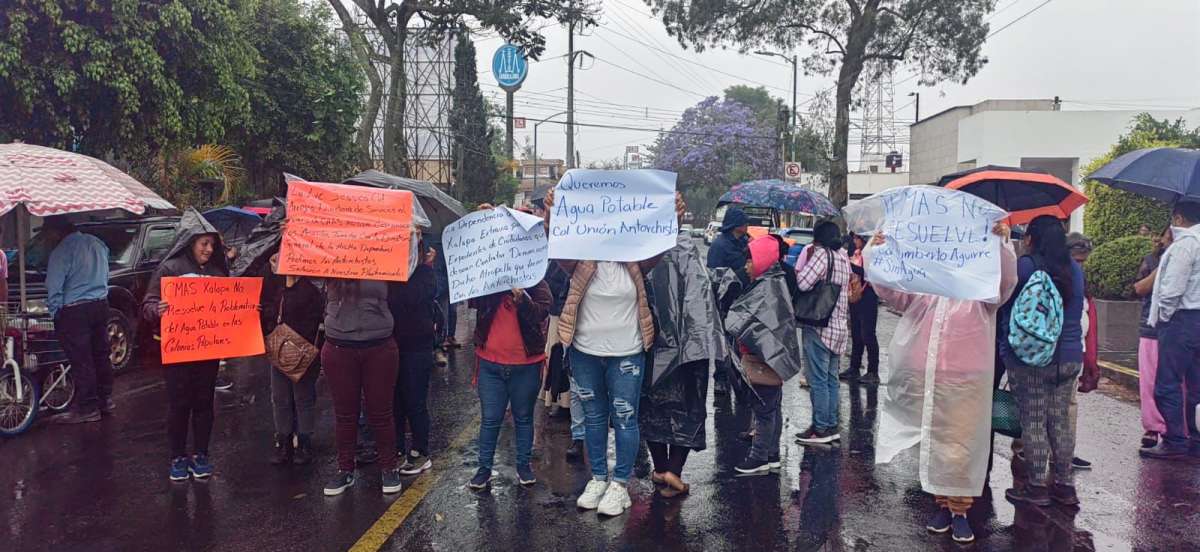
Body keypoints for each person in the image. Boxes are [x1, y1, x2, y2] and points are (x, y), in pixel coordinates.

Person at [870, 221, 1017, 544]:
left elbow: (1005, 283)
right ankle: (941, 505)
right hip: (929, 378)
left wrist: (1002, 246)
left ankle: (960, 511)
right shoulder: (927, 289)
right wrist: (879, 252)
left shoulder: (981, 292)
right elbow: (892, 291)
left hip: (967, 381)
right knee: (935, 444)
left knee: (961, 448)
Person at [543, 187, 683, 517]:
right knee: (593, 417)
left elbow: (661, 240)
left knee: (624, 417)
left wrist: (673, 216)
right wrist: (552, 214)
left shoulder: (636, 260)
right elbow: (557, 241)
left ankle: (620, 484)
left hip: (627, 353)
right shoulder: (578, 260)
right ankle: (598, 479)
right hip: (584, 351)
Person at [1001, 215, 1086, 508]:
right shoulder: (1074, 269)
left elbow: (1005, 306)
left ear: (1031, 239)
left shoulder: (1025, 266)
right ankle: (1065, 486)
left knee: (1034, 420)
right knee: (1060, 420)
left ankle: (1037, 487)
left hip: (1032, 358)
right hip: (1070, 357)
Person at [141, 210, 229, 481]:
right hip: (178, 351)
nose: (209, 249)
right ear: (191, 242)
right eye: (204, 243)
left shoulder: (217, 272)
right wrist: (157, 309)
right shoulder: (170, 268)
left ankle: (201, 455)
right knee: (179, 404)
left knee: (204, 403)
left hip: (208, 351)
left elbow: (230, 306)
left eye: (212, 244)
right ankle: (178, 457)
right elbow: (147, 304)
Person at [641, 228, 723, 496]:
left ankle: (661, 469)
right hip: (691, 350)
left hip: (655, 346)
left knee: (652, 408)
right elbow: (705, 307)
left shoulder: (647, 255)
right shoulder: (691, 257)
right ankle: (673, 472)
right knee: (689, 409)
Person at [466, 273, 552, 489]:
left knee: (523, 417)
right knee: (490, 419)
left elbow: (541, 312)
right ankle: (484, 469)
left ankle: (523, 466)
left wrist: (523, 299)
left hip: (526, 365)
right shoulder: (488, 279)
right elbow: (473, 301)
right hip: (490, 364)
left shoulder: (536, 282)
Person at [320, 274, 403, 495]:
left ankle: (389, 467)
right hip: (339, 344)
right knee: (345, 414)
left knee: (381, 412)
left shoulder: (385, 256)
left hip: (379, 343)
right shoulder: (329, 259)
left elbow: (405, 280)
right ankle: (345, 469)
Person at [728, 236, 803, 475]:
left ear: (761, 260)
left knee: (763, 411)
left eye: (750, 260)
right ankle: (772, 454)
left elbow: (757, 325)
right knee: (771, 408)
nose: (746, 266)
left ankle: (759, 456)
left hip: (763, 359)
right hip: (769, 360)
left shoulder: (767, 289)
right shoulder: (773, 283)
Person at [1141, 201, 1200, 461]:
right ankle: (1195, 438)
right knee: (1196, 385)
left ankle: (1175, 440)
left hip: (1181, 320)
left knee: (1167, 383)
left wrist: (1164, 316)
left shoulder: (1186, 245)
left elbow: (1172, 289)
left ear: (1178, 218)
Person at [42, 216, 112, 424]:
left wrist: (55, 312)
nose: (46, 238)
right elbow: (106, 271)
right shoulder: (97, 243)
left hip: (75, 310)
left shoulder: (61, 251)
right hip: (100, 304)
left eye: (47, 233)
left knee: (81, 359)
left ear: (56, 232)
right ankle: (105, 400)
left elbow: (54, 286)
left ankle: (88, 407)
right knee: (101, 354)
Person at [261, 254, 324, 465]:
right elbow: (269, 314)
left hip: (300, 352)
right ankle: (284, 442)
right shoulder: (276, 287)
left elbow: (312, 319)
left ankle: (304, 442)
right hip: (279, 350)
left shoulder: (310, 291)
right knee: (280, 398)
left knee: (302, 398)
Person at [794, 221, 852, 445]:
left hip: (819, 325)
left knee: (817, 380)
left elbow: (803, 283)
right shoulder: (843, 257)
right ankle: (830, 425)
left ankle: (819, 429)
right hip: (839, 328)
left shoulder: (822, 255)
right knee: (831, 380)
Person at [389, 242, 439, 476]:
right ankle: (398, 449)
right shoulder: (389, 270)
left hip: (417, 346)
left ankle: (421, 451)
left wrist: (426, 266)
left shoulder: (425, 274)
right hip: (391, 344)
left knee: (415, 401)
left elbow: (414, 297)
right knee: (395, 402)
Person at [1132, 227, 1172, 449]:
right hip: (1152, 330)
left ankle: (1179, 428)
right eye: (1169, 235)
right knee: (1149, 381)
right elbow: (1139, 288)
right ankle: (1153, 427)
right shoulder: (1151, 260)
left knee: (1181, 382)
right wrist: (1162, 267)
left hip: (1179, 329)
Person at [706, 207, 751, 397]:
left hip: (745, 300)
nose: (747, 224)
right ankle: (721, 378)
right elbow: (714, 275)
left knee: (740, 342)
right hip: (725, 301)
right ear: (735, 225)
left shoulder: (746, 242)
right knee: (723, 341)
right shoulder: (720, 245)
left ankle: (740, 376)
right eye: (743, 222)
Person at [1066, 232, 1099, 471]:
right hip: (1059, 352)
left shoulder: (1081, 284)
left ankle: (1065, 452)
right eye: (1077, 261)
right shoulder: (1057, 279)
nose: (1080, 266)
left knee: (1070, 404)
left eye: (1083, 262)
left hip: (1077, 350)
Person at [841, 233, 880, 385]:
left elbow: (868, 274)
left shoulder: (871, 254)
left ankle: (873, 371)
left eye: (857, 238)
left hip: (868, 295)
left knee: (868, 333)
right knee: (856, 333)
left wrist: (849, 266)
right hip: (855, 294)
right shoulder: (856, 254)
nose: (854, 241)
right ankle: (854, 367)